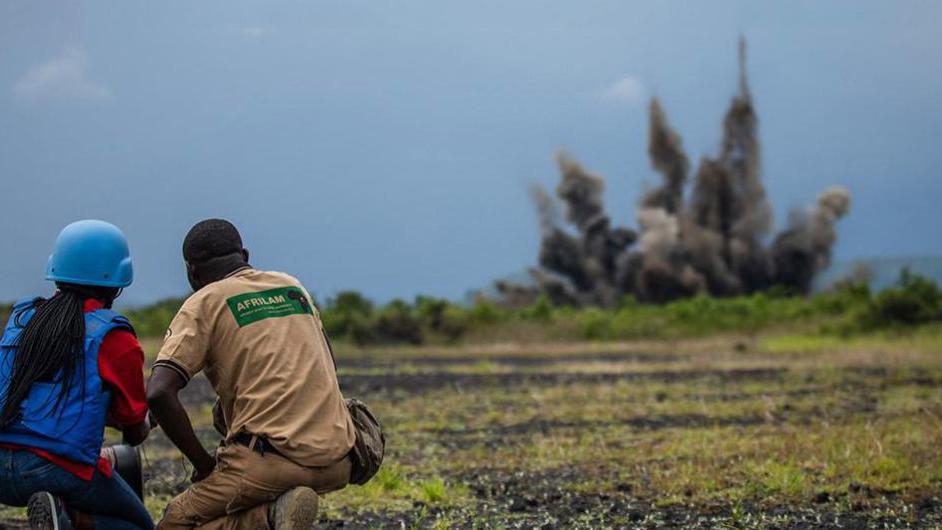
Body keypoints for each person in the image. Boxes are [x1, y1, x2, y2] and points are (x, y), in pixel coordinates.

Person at [147, 219, 354, 530]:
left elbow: (159, 392)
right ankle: (273, 513)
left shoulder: (203, 302)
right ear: (244, 255)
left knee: (177, 520)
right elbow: (327, 364)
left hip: (269, 462)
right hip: (338, 457)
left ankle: (266, 519)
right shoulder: (290, 286)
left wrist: (204, 464)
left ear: (192, 271)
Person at [0, 220, 153, 530]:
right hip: (53, 469)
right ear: (118, 280)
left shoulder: (22, 317)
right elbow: (134, 431)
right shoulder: (114, 337)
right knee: (139, 525)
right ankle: (70, 520)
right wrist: (144, 419)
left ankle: (59, 516)